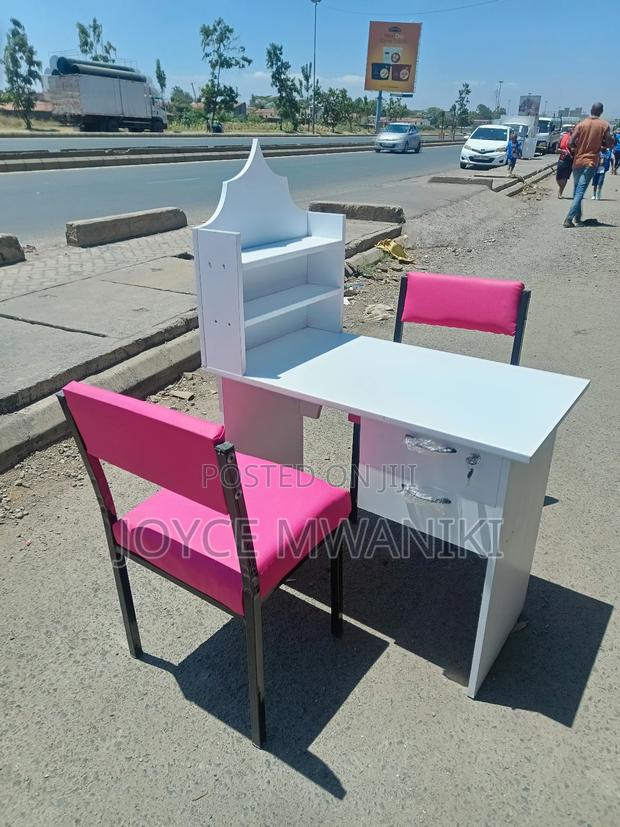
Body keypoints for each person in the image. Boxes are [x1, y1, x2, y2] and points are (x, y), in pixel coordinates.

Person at [563, 102, 614, 228]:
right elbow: (608, 143)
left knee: (577, 190)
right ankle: (569, 219)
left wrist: (577, 149)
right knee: (580, 191)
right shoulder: (604, 125)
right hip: (590, 161)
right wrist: (601, 145)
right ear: (601, 111)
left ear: (591, 110)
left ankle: (578, 219)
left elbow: (570, 142)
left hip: (578, 161)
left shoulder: (581, 124)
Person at [556, 127, 573, 197]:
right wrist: (562, 151)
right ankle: (560, 188)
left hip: (570, 160)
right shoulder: (563, 137)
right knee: (558, 177)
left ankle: (560, 192)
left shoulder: (578, 139)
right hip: (562, 159)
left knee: (565, 177)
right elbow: (557, 149)